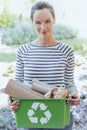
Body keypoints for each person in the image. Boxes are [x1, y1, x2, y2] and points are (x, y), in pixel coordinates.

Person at [9, 1, 80, 130]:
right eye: (38, 22)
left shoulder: (66, 51)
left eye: (47, 21)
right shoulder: (23, 51)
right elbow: (18, 84)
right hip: (30, 114)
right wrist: (12, 101)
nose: (43, 27)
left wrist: (74, 93)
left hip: (58, 114)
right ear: (32, 23)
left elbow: (69, 84)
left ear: (54, 20)